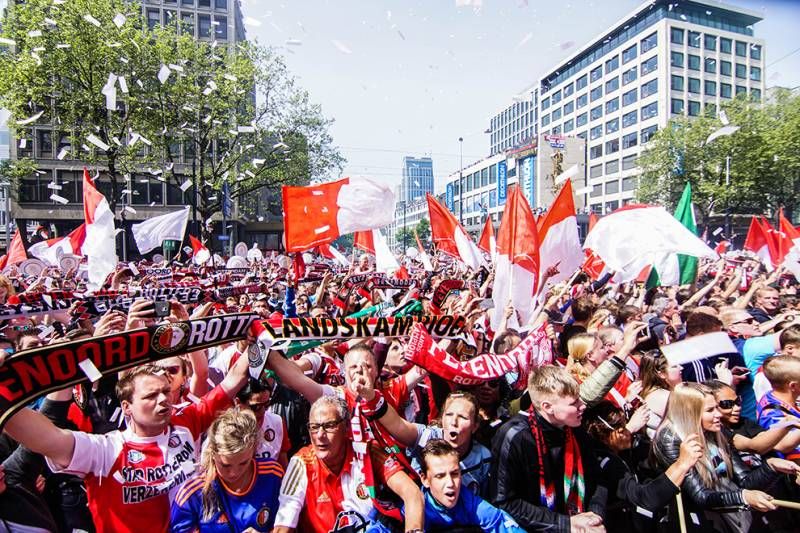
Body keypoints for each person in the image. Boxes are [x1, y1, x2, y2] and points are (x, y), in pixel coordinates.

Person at [2, 348, 252, 533]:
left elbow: (234, 379)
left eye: (165, 391)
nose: (163, 399)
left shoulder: (186, 421)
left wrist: (259, 339)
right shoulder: (104, 450)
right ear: (127, 407)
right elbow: (45, 438)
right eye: (151, 396)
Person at [652, 382, 799, 532]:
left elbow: (745, 481)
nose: (719, 414)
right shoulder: (670, 440)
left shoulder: (716, 430)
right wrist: (744, 498)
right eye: (710, 410)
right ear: (690, 412)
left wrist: (771, 467)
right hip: (701, 523)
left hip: (733, 519)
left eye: (717, 407)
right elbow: (701, 496)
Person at [272, 395, 424, 533]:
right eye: (314, 427)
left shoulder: (368, 452)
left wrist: (414, 530)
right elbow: (283, 524)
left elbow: (412, 492)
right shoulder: (301, 463)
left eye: (329, 425)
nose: (320, 435)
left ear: (346, 428)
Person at [489, 366, 607, 533]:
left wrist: (595, 516)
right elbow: (504, 502)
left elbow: (597, 479)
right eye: (574, 403)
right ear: (547, 407)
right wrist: (565, 524)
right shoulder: (514, 436)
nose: (583, 406)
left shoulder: (575, 428)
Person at [360, 390, 492, 498]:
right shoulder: (428, 437)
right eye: (449, 415)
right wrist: (372, 397)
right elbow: (398, 425)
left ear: (474, 426)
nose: (454, 422)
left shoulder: (483, 457)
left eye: (462, 417)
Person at [170, 408, 284, 532]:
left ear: (255, 450)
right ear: (213, 453)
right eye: (225, 465)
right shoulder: (193, 493)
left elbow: (288, 524)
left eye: (243, 463)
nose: (234, 473)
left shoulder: (273, 475)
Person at [419, 439, 523, 532]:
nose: (450, 483)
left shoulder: (472, 503)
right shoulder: (414, 510)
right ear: (425, 480)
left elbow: (503, 523)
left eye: (454, 474)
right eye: (440, 476)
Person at [234, 376, 290, 467]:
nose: (263, 411)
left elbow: (283, 463)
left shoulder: (277, 422)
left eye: (267, 404)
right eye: (256, 407)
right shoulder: (226, 428)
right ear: (238, 403)